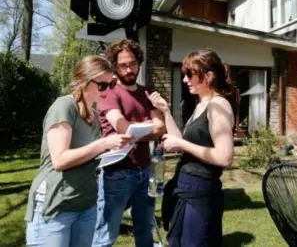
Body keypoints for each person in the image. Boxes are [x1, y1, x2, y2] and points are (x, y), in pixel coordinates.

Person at [25, 55, 133, 247]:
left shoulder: (93, 114)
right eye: (102, 85)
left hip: (86, 202)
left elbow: (89, 154)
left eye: (111, 84)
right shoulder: (64, 106)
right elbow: (59, 160)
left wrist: (115, 150)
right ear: (83, 82)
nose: (108, 90)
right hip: (57, 203)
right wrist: (103, 144)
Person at [147, 48, 235, 247]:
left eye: (190, 75)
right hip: (184, 186)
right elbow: (182, 144)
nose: (185, 80)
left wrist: (181, 143)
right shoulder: (201, 105)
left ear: (209, 76)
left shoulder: (218, 105)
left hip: (201, 191)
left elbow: (225, 157)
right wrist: (166, 112)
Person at [92, 39, 165, 247]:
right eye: (123, 65)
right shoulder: (109, 93)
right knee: (106, 234)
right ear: (115, 65)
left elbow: (160, 127)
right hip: (117, 172)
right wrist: (146, 127)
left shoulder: (145, 92)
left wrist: (139, 131)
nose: (129, 69)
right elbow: (122, 127)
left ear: (139, 62)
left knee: (145, 230)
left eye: (132, 63)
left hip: (144, 169)